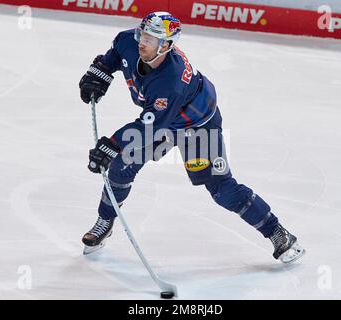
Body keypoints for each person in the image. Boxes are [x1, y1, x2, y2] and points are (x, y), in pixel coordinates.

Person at [78, 12, 305, 263]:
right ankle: (105, 220)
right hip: (160, 120)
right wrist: (98, 74)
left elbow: (152, 126)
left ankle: (276, 232)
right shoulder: (127, 41)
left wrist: (113, 143)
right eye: (142, 34)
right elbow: (114, 57)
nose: (142, 42)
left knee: (222, 190)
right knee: (120, 168)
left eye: (150, 39)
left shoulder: (171, 81)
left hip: (197, 127)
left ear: (165, 46)